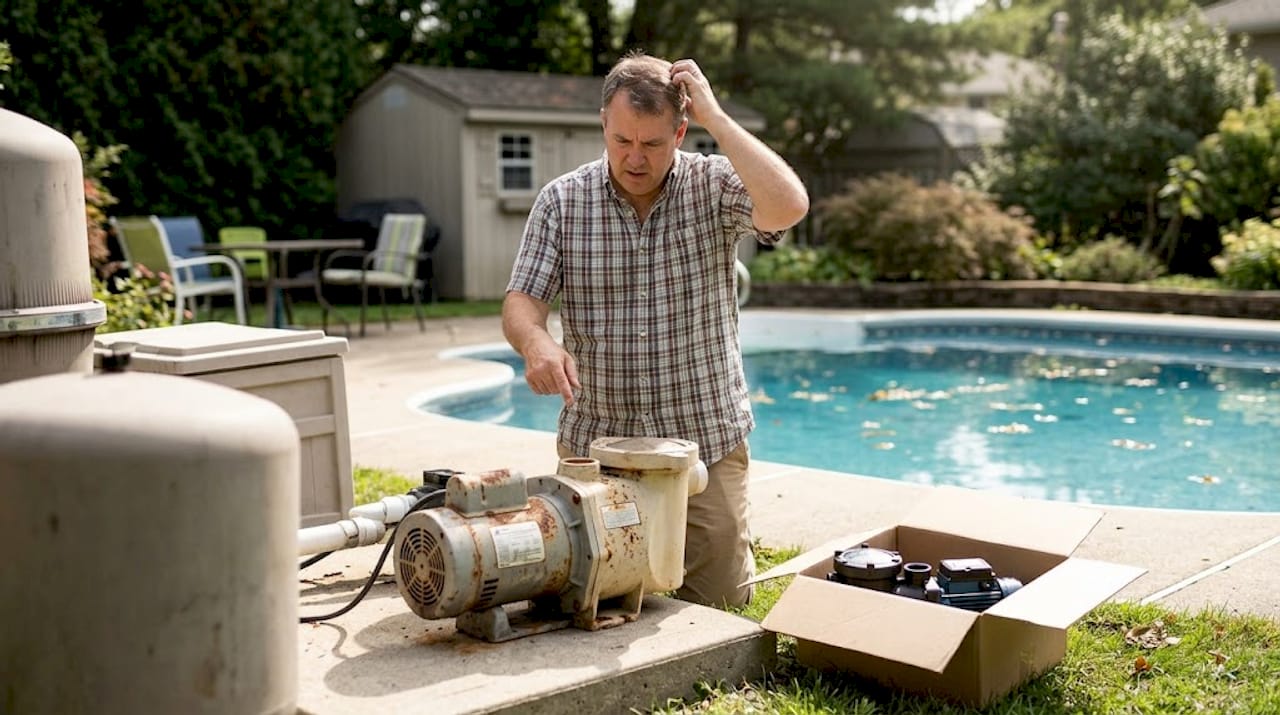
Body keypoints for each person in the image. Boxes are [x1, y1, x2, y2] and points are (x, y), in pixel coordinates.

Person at [501, 52, 809, 608]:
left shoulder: (714, 185)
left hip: (704, 443)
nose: (635, 158)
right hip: (598, 446)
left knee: (717, 607)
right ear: (604, 125)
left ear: (680, 132)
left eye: (652, 144)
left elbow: (788, 206)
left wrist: (717, 117)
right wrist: (536, 341)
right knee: (588, 600)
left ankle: (717, 561)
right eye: (622, 141)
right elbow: (522, 301)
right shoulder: (561, 201)